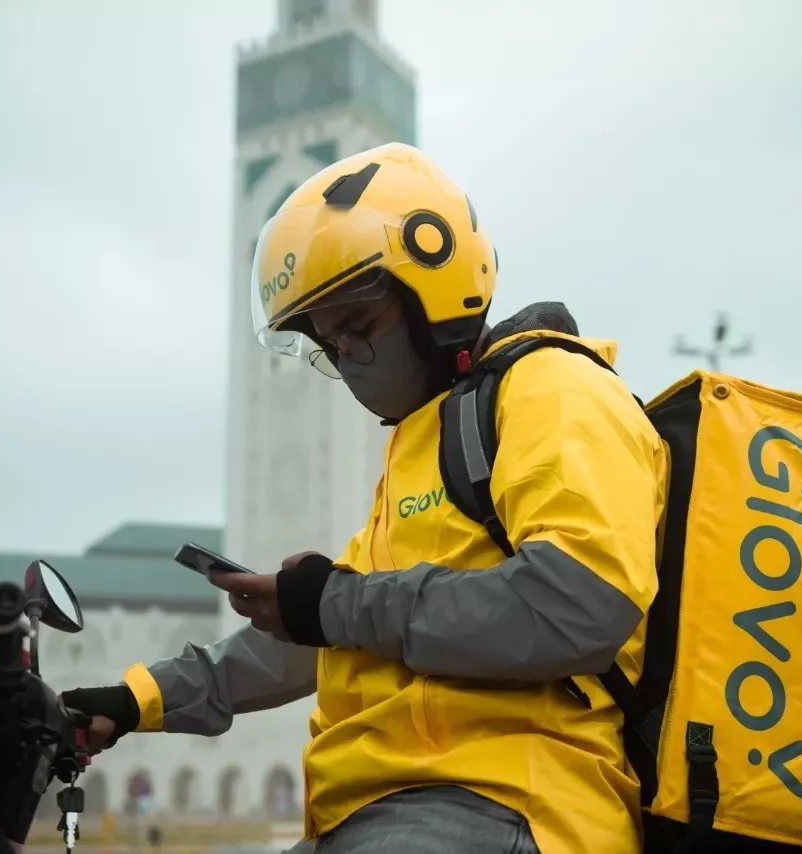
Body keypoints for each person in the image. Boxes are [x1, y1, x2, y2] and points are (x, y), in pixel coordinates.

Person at [61, 143, 668, 854]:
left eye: (358, 326)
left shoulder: (552, 388)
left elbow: (579, 602)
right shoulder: (422, 450)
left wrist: (330, 603)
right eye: (328, 341)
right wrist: (137, 700)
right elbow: (331, 640)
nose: (347, 357)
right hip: (387, 809)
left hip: (507, 799)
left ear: (435, 290)